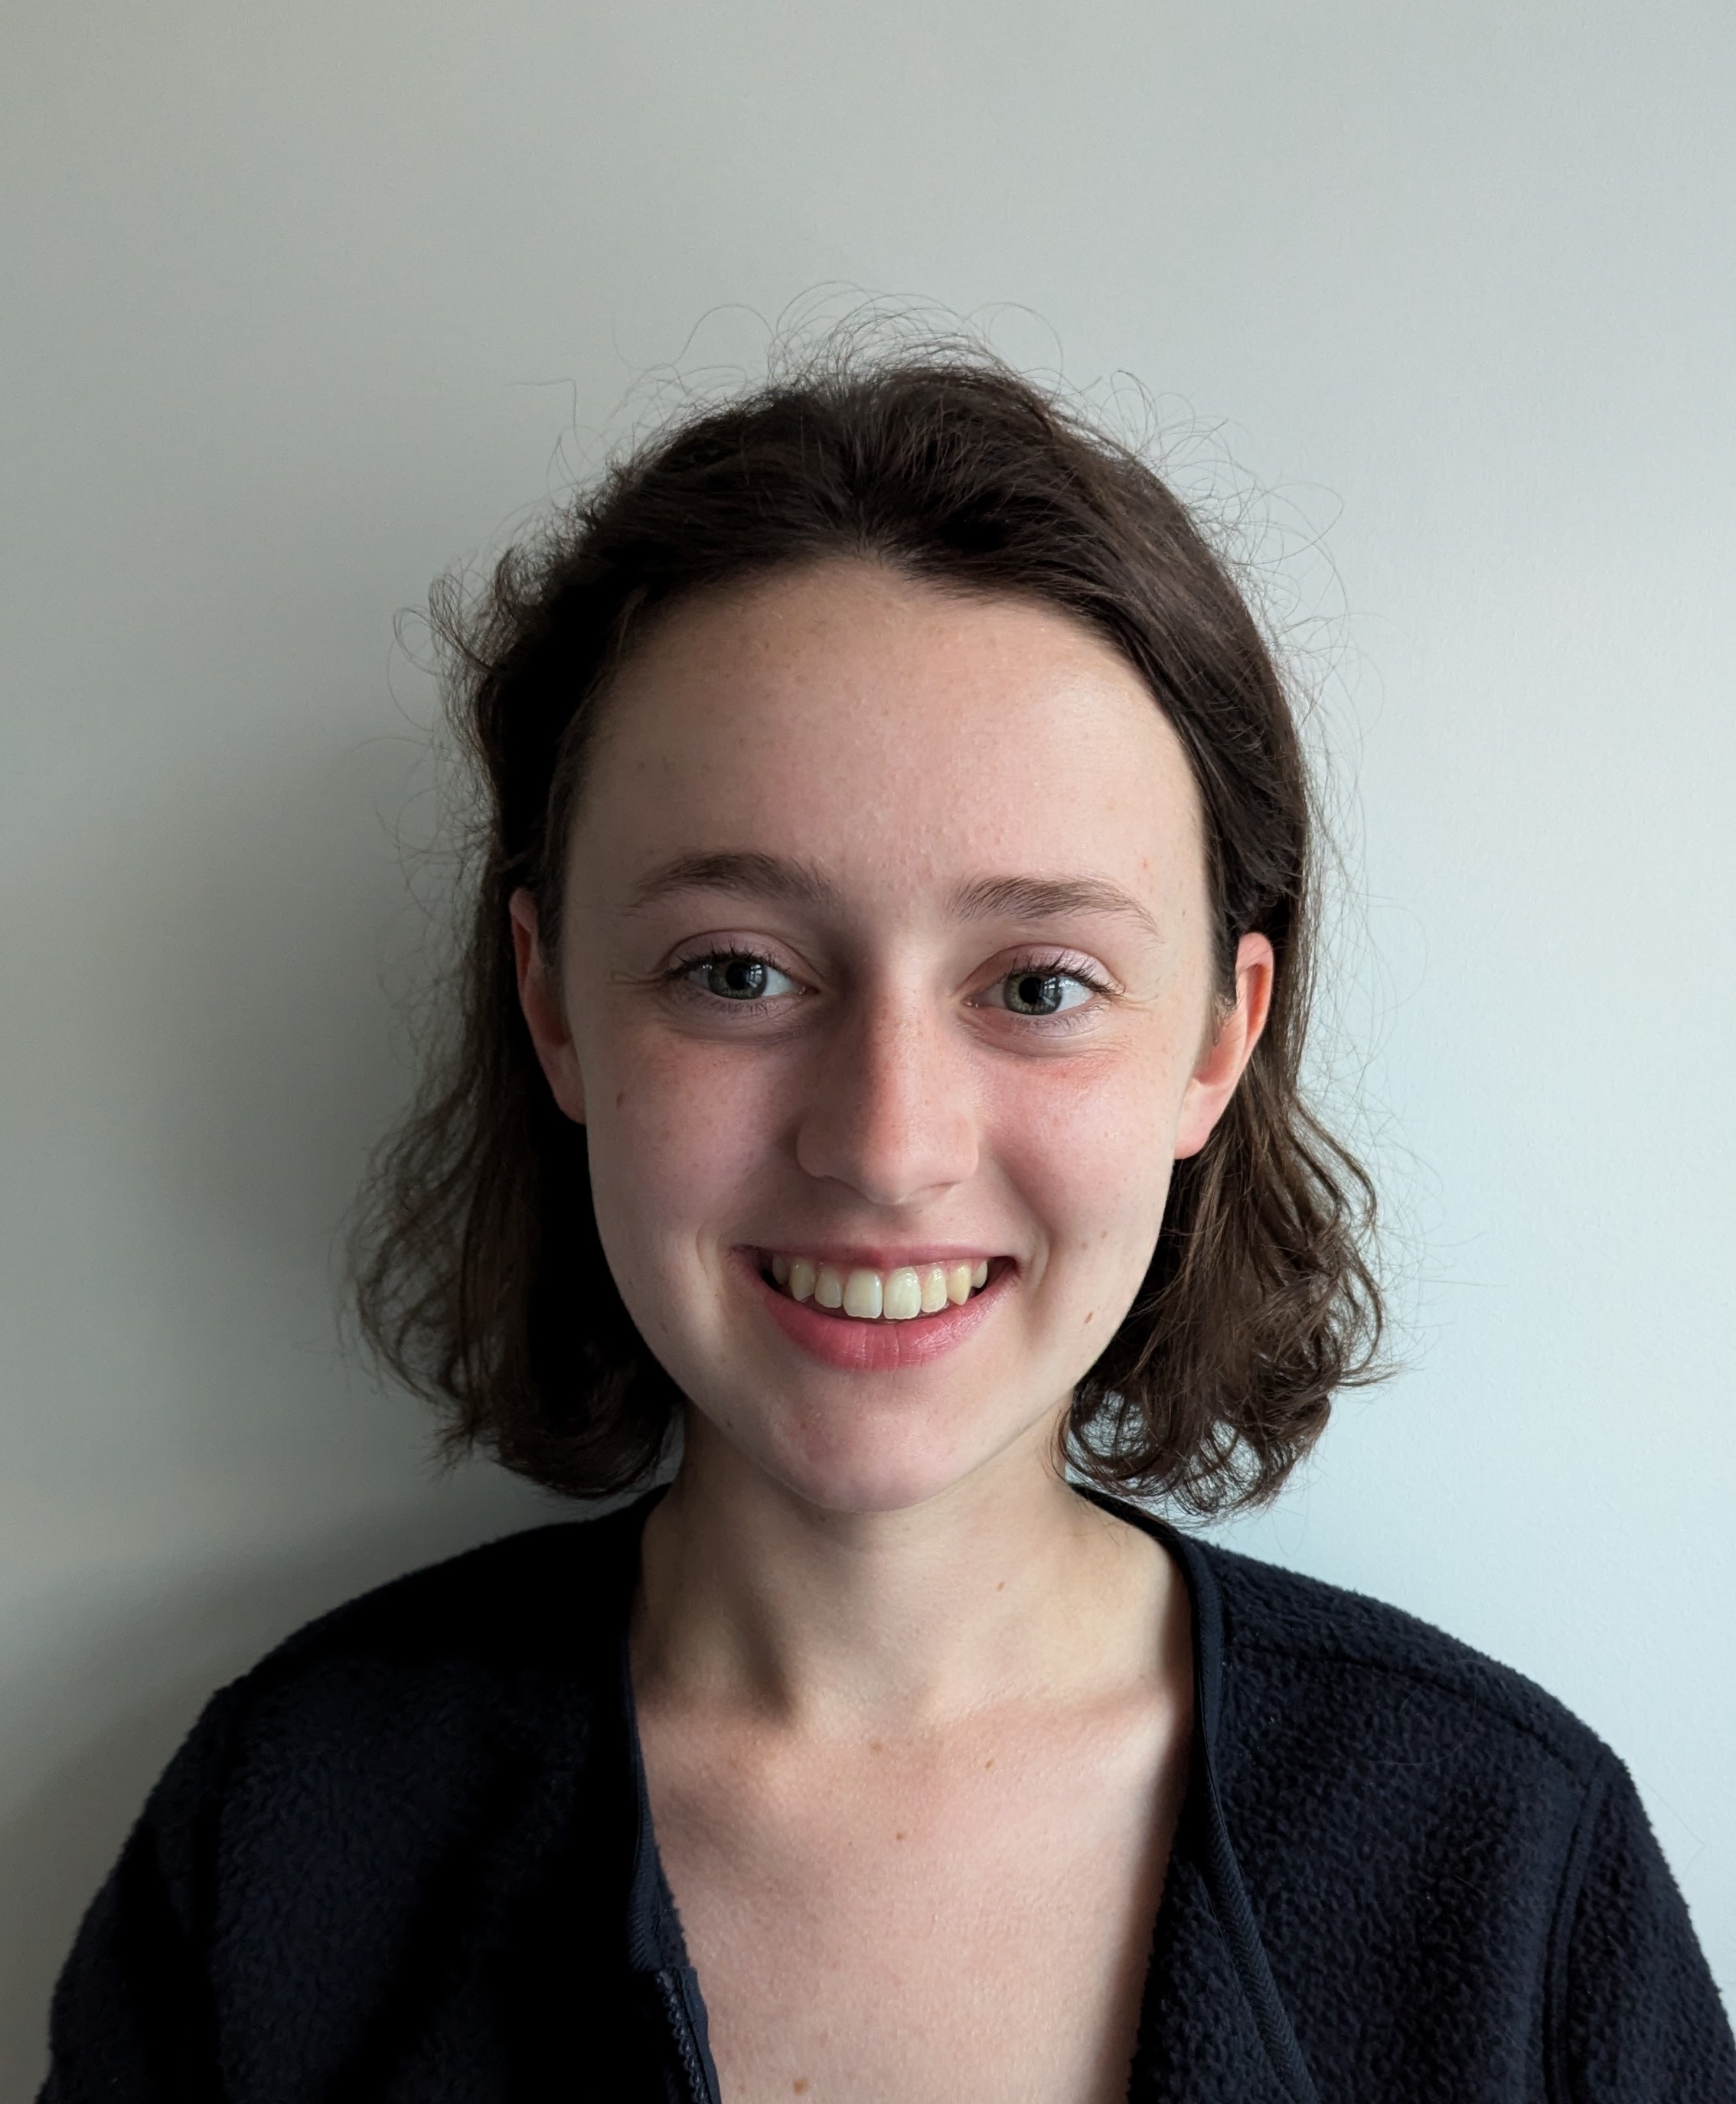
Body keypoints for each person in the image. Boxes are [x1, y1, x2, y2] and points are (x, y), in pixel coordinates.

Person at [41, 347, 1735, 2103]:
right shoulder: (283, 1839)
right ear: (551, 1003)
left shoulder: (1513, 1867)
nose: (886, 1146)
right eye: (738, 971)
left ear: (1215, 1042)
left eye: (1041, 983)